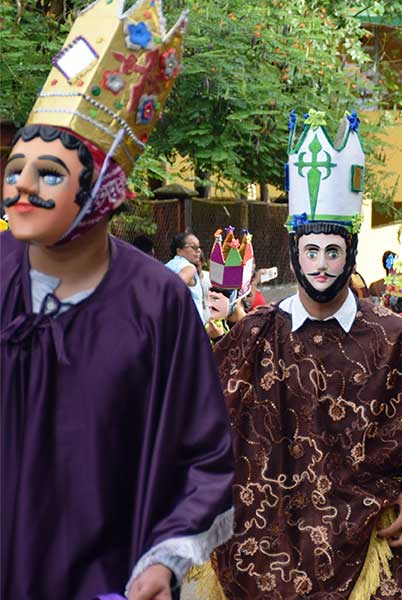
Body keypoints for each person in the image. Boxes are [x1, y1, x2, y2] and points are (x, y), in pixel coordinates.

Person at [211, 112, 402, 598]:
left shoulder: (393, 336)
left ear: (351, 252)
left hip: (368, 545)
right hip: (265, 554)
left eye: (332, 252)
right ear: (294, 253)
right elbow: (191, 422)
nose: (320, 265)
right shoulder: (253, 334)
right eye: (310, 251)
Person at [0, 4, 235, 597]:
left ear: (103, 193)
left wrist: (165, 560)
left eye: (50, 173)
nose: (21, 184)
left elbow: (205, 456)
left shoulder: (156, 302)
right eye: (15, 168)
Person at [166, 230, 208, 321]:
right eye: (193, 247)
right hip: (190, 325)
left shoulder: (168, 265)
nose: (198, 250)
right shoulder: (189, 268)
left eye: (199, 247)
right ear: (179, 251)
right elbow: (173, 287)